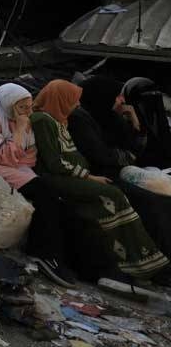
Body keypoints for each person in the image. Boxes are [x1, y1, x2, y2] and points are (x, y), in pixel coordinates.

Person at [30, 79, 170, 284]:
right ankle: (140, 266)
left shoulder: (68, 119)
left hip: (91, 174)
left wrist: (134, 124)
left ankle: (148, 265)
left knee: (145, 202)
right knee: (123, 199)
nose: (77, 105)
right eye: (72, 100)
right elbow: (63, 160)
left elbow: (132, 148)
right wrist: (89, 175)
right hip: (78, 176)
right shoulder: (52, 120)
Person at [0, 83, 77, 287]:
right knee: (45, 194)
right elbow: (4, 157)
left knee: (58, 196)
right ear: (8, 106)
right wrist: (18, 131)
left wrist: (16, 150)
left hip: (16, 167)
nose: (27, 113)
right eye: (22, 108)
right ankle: (42, 253)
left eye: (30, 107)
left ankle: (61, 256)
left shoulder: (25, 120)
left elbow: (29, 157)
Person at [70, 76, 171, 257]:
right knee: (152, 202)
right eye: (117, 96)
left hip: (120, 171)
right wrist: (129, 156)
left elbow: (135, 148)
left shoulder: (110, 117)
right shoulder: (80, 120)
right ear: (102, 96)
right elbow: (101, 156)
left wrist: (135, 122)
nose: (121, 100)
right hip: (101, 175)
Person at [122, 77, 171, 168]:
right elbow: (137, 150)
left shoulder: (158, 115)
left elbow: (165, 134)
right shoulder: (127, 121)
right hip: (148, 167)